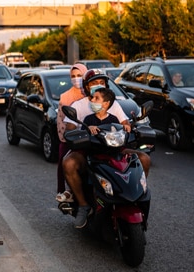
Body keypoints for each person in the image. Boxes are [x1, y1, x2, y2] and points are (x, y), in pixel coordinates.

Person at [62, 69, 151, 228]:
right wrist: (82, 131)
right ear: (87, 87)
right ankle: (83, 205)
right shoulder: (80, 106)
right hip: (89, 151)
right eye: (94, 83)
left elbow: (124, 123)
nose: (98, 86)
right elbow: (69, 127)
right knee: (69, 163)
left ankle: (136, 195)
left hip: (114, 148)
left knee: (144, 158)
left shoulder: (113, 105)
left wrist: (129, 127)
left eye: (101, 82)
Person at [55, 63, 88, 203]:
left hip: (94, 139)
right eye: (73, 76)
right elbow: (62, 122)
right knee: (66, 162)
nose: (76, 79)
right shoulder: (65, 96)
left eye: (79, 75)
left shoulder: (94, 95)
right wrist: (68, 138)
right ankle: (69, 193)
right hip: (72, 139)